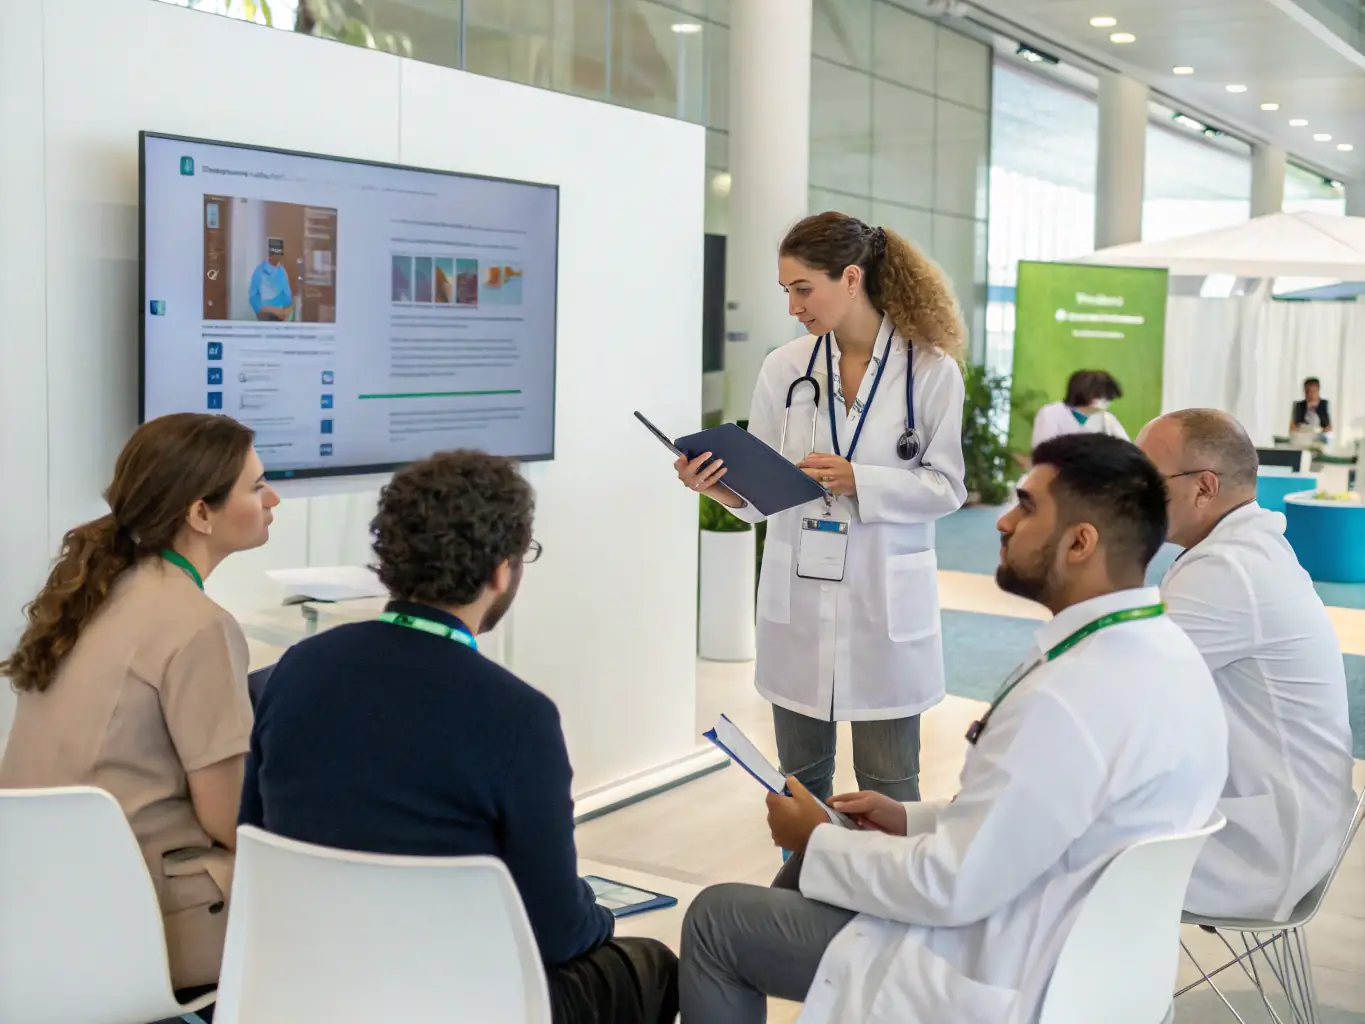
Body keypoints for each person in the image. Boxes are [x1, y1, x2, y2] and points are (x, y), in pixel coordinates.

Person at [678, 433, 1228, 1024]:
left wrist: (818, 838)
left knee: (717, 920)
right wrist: (910, 817)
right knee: (802, 874)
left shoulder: (1068, 698)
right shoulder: (1163, 653)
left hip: (1004, 969)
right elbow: (1041, 818)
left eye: (1026, 506)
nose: (1004, 522)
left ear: (1079, 542)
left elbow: (952, 886)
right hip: (1093, 961)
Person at [239, 450, 677, 1024]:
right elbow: (557, 932)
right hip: (466, 999)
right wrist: (597, 911)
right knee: (655, 966)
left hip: (308, 983)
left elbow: (253, 833)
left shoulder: (293, 671)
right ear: (502, 570)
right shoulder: (520, 717)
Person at [676, 212, 967, 804]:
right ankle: (801, 896)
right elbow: (763, 490)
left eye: (803, 288)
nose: (793, 307)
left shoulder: (931, 371)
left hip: (882, 610)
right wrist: (716, 486)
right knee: (799, 789)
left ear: (852, 278)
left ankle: (879, 901)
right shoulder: (784, 369)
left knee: (887, 790)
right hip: (799, 607)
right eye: (786, 291)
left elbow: (947, 488)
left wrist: (861, 479)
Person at [0, 413, 278, 1009]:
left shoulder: (87, 596)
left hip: (43, 919)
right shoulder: (200, 627)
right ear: (200, 514)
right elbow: (229, 818)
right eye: (256, 487)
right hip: (156, 926)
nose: (272, 497)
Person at [1137, 409, 1356, 920]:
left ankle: (1103, 1001)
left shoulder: (1228, 569)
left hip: (1263, 851)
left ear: (1204, 488)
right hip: (1287, 819)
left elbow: (1116, 684)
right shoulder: (1239, 549)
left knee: (1050, 851)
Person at [1031, 369, 1127, 449]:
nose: (1105, 401)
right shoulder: (1051, 413)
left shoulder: (1107, 420)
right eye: (1101, 396)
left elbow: (1127, 450)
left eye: (1108, 397)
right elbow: (1043, 451)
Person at [249, 237, 293, 321]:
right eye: (275, 255)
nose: (277, 258)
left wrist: (285, 311)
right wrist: (271, 310)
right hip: (264, 317)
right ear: (270, 254)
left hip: (280, 318)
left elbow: (287, 297)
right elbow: (253, 297)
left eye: (279, 255)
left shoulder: (282, 272)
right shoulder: (260, 272)